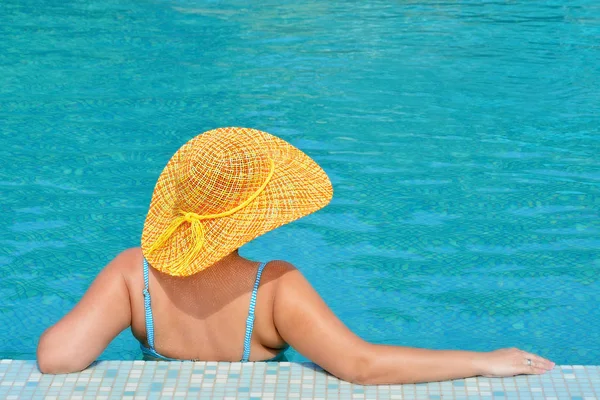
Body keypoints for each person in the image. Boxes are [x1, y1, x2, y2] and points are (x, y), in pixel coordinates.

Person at [37, 127, 555, 383]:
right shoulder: (275, 287)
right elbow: (360, 365)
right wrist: (485, 361)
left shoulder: (134, 274)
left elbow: (57, 359)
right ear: (259, 213)